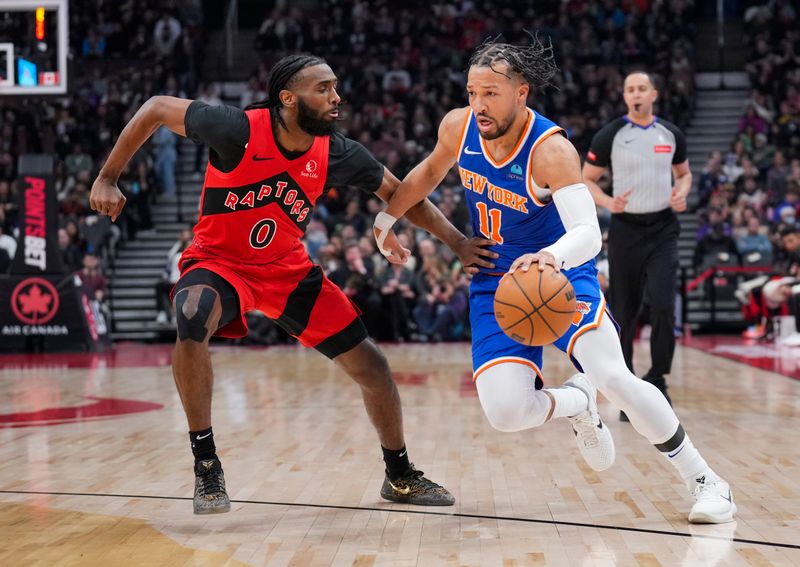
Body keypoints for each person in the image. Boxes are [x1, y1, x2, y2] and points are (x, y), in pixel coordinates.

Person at [90, 54, 490, 515]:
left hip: (287, 271)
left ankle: (399, 475)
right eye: (323, 88)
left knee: (374, 368)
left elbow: (404, 194)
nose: (336, 97)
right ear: (287, 98)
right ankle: (206, 465)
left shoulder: (336, 152)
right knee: (193, 313)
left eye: (335, 87)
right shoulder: (235, 128)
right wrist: (107, 176)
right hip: (220, 264)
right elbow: (158, 107)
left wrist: (457, 243)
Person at [376, 37, 736, 524]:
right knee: (505, 413)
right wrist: (385, 221)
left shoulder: (551, 151)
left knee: (614, 376)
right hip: (495, 281)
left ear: (521, 93)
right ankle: (576, 401)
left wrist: (548, 258)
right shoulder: (458, 127)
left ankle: (706, 480)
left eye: (491, 94)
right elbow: (425, 175)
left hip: (560, 274)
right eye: (472, 92)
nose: (478, 105)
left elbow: (589, 234)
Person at [582, 71, 692, 414]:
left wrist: (682, 193)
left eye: (642, 88)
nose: (636, 94)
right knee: (625, 311)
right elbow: (587, 180)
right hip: (626, 230)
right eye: (630, 89)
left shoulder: (670, 133)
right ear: (625, 96)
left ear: (654, 94)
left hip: (663, 229)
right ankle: (627, 384)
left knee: (662, 304)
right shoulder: (610, 134)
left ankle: (658, 377)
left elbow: (684, 173)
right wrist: (607, 202)